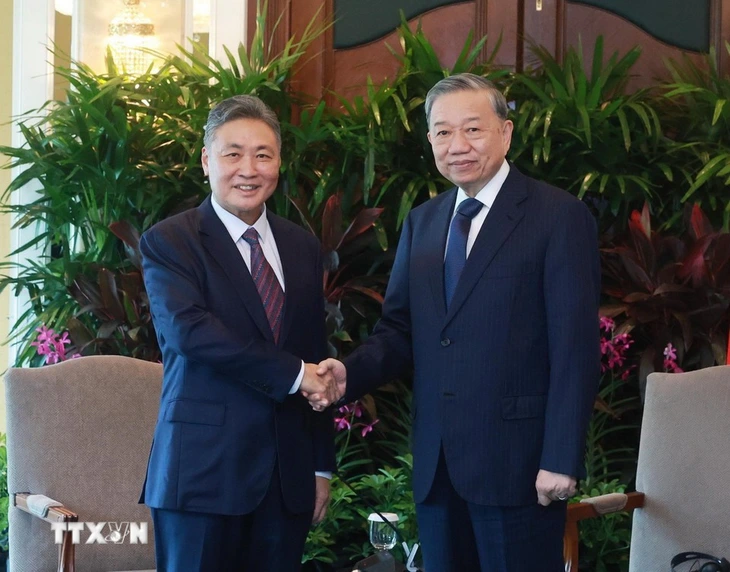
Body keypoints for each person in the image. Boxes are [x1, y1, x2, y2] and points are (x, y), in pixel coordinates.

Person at [316, 73, 601, 571]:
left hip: (520, 466)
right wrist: (349, 373)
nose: (458, 145)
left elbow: (575, 348)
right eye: (443, 132)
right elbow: (401, 331)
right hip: (438, 466)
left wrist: (560, 457)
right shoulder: (423, 223)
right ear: (430, 140)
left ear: (506, 133)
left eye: (473, 129)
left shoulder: (558, 217)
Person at [139, 94, 343, 571]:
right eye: (233, 154)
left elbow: (313, 351)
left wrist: (318, 465)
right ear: (207, 160)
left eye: (263, 154)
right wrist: (294, 374)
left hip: (286, 478)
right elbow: (192, 333)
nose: (248, 169)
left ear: (279, 163)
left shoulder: (301, 246)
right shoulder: (171, 241)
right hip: (203, 476)